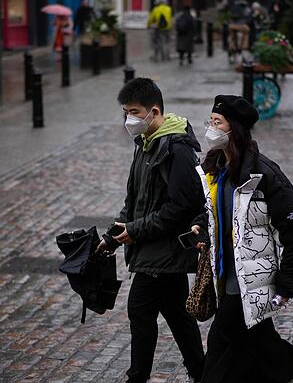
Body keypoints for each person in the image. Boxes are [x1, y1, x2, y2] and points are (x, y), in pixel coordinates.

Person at [192, 94, 293, 383]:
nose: (210, 128)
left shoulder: (263, 174)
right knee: (255, 344)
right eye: (209, 120)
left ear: (233, 128)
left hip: (249, 281)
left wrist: (289, 283)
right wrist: (200, 226)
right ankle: (283, 371)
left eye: (217, 122)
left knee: (221, 345)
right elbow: (213, 210)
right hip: (222, 277)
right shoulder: (213, 169)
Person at [98, 78, 206, 383]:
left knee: (141, 312)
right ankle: (202, 373)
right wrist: (112, 237)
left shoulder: (176, 150)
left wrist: (136, 231)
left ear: (154, 111)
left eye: (134, 111)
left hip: (164, 251)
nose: (128, 119)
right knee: (178, 318)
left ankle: (138, 377)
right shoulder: (146, 144)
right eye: (125, 112)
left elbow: (180, 208)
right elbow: (135, 201)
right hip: (153, 250)